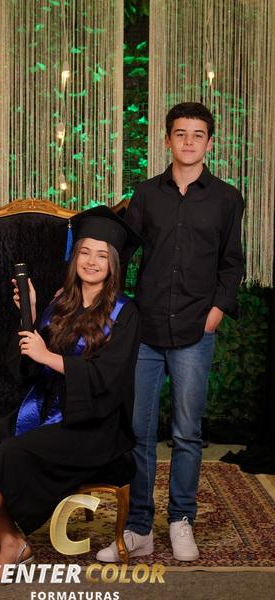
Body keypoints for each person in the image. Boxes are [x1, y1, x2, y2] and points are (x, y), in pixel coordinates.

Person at [0, 206, 141, 590]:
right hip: (44, 410)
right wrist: (30, 315)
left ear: (113, 264)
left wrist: (49, 356)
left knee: (8, 452)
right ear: (75, 256)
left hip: (92, 424)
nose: (91, 261)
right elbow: (27, 368)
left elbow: (109, 379)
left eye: (102, 255)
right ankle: (12, 541)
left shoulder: (125, 312)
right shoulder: (61, 303)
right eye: (85, 251)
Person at [97, 102, 244, 563]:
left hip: (196, 330)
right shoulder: (145, 194)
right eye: (180, 133)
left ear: (209, 143)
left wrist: (215, 312)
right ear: (167, 140)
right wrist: (106, 301)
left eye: (197, 134)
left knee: (186, 432)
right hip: (145, 331)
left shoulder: (226, 198)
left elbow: (232, 263)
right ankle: (139, 527)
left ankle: (181, 520)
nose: (188, 141)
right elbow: (121, 255)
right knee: (138, 431)